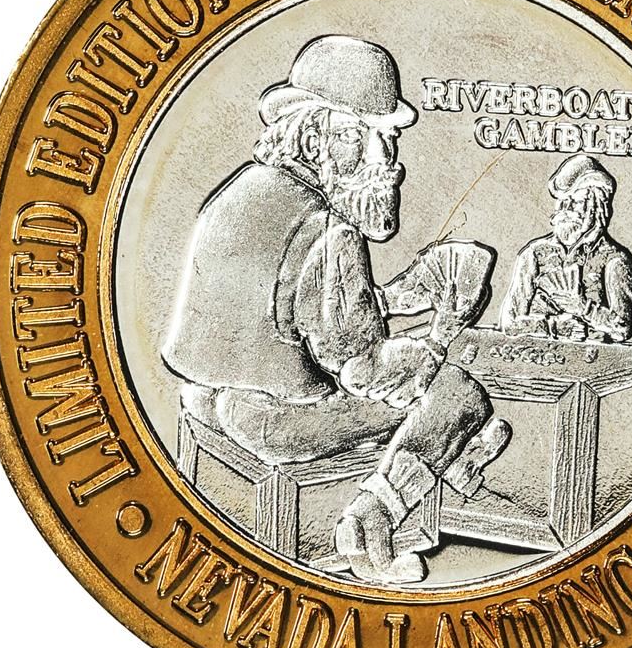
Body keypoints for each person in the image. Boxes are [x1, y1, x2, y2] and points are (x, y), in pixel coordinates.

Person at [163, 35, 509, 584]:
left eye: (389, 141)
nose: (385, 163)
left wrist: (396, 298)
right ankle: (369, 527)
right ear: (315, 136)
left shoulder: (241, 192)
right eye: (361, 138)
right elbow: (363, 369)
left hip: (209, 399)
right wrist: (440, 337)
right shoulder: (327, 230)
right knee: (458, 393)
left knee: (434, 394)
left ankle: (454, 464)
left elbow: (289, 313)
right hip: (275, 423)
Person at [500, 155, 632, 342]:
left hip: (592, 356)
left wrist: (582, 308)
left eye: (577, 202)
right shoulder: (534, 254)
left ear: (597, 207)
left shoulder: (615, 259)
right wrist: (553, 327)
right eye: (562, 202)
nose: (566, 209)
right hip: (534, 355)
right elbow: (509, 322)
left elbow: (622, 328)